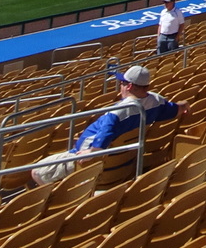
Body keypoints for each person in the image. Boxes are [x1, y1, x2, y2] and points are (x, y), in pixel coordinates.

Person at [33, 66, 188, 184]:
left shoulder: (119, 111)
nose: (120, 86)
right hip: (124, 164)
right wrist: (185, 104)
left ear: (129, 86)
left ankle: (56, 205)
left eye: (122, 83)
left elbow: (105, 134)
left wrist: (93, 151)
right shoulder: (156, 101)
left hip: (93, 164)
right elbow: (177, 109)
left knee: (36, 170)